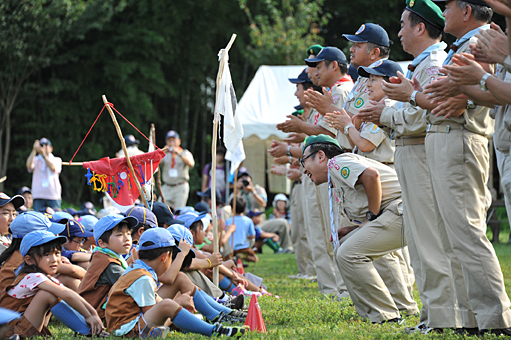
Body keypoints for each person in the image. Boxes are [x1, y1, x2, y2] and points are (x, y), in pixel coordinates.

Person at [358, 0, 475, 333]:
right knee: (422, 240)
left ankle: (442, 316)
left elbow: (425, 114)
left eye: (403, 24)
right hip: (410, 151)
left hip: (422, 151)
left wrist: (385, 115)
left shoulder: (434, 62)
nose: (399, 32)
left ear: (420, 27)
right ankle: (434, 314)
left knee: (430, 240)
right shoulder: (421, 64)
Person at [416, 0, 511, 335]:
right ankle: (470, 317)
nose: (444, 13)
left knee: (466, 233)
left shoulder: (485, 40)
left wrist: (465, 93)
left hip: (461, 137)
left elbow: (485, 91)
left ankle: (494, 318)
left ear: (467, 11)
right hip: (450, 137)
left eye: (449, 6)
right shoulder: (469, 43)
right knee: (454, 237)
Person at [301, 134, 415, 323]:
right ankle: (399, 308)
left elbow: (372, 176)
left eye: (303, 161)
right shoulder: (337, 172)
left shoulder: (336, 163)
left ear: (321, 156)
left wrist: (371, 217)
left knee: (348, 254)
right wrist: (355, 229)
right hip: (399, 212)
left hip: (403, 211)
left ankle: (385, 316)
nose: (303, 170)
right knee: (347, 245)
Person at [105, 227, 246, 337]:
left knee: (179, 279)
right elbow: (155, 311)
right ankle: (214, 330)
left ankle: (220, 315)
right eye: (173, 257)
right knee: (169, 305)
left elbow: (155, 300)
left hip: (134, 322)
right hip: (126, 331)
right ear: (165, 257)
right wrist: (178, 304)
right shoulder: (143, 278)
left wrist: (179, 305)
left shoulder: (141, 269)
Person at [0, 230, 104, 338]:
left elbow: (69, 293)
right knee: (47, 294)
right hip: (10, 332)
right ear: (29, 260)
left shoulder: (44, 276)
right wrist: (88, 316)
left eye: (57, 253)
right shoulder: (32, 276)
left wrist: (93, 314)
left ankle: (91, 330)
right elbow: (66, 294)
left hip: (21, 327)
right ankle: (89, 332)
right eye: (46, 255)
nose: (54, 259)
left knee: (55, 292)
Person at [325, 59, 402, 165]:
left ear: (392, 82)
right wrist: (347, 129)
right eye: (368, 80)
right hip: (370, 167)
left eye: (373, 80)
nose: (368, 85)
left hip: (382, 169)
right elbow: (357, 147)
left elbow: (365, 145)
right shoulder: (376, 105)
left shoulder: (388, 106)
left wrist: (348, 126)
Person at [77, 214, 137, 319]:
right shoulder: (109, 263)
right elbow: (132, 287)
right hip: (97, 316)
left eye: (128, 233)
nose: (127, 238)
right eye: (119, 234)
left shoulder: (105, 256)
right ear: (102, 243)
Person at [160, 130, 195, 209]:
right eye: (169, 140)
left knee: (179, 210)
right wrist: (161, 152)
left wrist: (178, 153)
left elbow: (191, 164)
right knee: (160, 207)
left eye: (173, 140)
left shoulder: (185, 152)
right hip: (167, 186)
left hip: (180, 186)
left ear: (179, 141)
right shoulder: (165, 154)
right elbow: (156, 163)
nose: (171, 142)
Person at [26, 138, 63, 212]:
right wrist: (34, 150)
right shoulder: (36, 159)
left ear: (51, 148)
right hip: (38, 195)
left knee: (55, 218)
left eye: (46, 145)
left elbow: (53, 168)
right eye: (42, 145)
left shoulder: (57, 159)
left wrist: (44, 155)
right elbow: (29, 166)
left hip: (53, 196)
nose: (43, 147)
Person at [225, 197, 258, 263]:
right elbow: (253, 235)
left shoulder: (229, 221)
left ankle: (238, 257)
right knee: (256, 259)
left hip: (232, 248)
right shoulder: (248, 220)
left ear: (232, 209)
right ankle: (241, 257)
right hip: (244, 246)